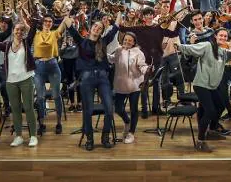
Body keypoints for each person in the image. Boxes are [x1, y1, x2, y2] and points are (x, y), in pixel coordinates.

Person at [176, 28, 231, 153]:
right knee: (210, 111)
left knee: (221, 106)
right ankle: (200, 141)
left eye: (225, 36)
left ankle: (211, 130)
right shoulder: (207, 46)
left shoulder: (222, 51)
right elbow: (191, 49)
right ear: (215, 36)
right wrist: (178, 45)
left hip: (212, 86)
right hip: (201, 85)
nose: (223, 38)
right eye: (221, 35)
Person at [66, 11, 121, 150]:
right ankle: (89, 138)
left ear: (102, 31)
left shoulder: (103, 41)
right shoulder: (81, 40)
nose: (97, 29)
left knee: (109, 109)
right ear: (91, 29)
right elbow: (69, 25)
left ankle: (105, 136)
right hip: (86, 77)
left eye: (100, 28)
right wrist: (66, 13)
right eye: (95, 27)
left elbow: (116, 27)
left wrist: (118, 12)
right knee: (88, 110)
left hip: (102, 77)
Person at [0, 20, 38, 147]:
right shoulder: (6, 45)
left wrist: (29, 16)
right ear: (13, 31)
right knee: (15, 109)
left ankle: (33, 136)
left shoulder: (26, 43)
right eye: (17, 29)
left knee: (28, 108)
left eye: (22, 30)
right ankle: (18, 136)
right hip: (11, 81)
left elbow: (33, 29)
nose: (19, 32)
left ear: (24, 32)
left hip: (26, 79)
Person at [109, 31, 149, 144]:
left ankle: (131, 132)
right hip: (120, 84)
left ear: (134, 42)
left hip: (134, 85)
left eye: (130, 40)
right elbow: (111, 59)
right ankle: (127, 121)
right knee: (118, 108)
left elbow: (142, 66)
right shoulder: (118, 50)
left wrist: (147, 69)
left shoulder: (138, 52)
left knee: (134, 109)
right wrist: (102, 53)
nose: (127, 41)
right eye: (125, 39)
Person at [32, 13, 68, 135]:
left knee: (56, 95)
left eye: (50, 21)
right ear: (42, 23)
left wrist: (67, 15)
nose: (48, 23)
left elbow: (63, 25)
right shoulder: (36, 34)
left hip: (52, 64)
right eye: (46, 21)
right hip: (39, 66)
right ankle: (41, 123)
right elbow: (25, 25)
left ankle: (59, 123)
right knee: (40, 97)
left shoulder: (54, 34)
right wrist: (20, 12)